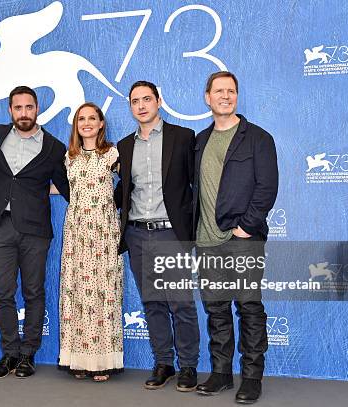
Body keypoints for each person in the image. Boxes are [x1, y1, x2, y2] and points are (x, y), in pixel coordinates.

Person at [193, 71, 278, 404]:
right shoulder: (199, 141)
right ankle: (221, 373)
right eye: (218, 91)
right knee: (216, 309)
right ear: (207, 97)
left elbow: (267, 187)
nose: (224, 96)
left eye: (230, 91)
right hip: (205, 240)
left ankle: (252, 377)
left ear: (237, 97)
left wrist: (246, 226)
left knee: (248, 307)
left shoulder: (258, 138)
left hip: (243, 238)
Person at [114, 81, 199, 391]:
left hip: (171, 234)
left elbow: (196, 186)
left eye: (146, 99)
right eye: (135, 101)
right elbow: (123, 190)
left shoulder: (183, 138)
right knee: (152, 303)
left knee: (181, 303)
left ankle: (188, 365)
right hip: (137, 234)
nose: (141, 105)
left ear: (159, 101)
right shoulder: (123, 146)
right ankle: (164, 362)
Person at [0, 86, 70, 379]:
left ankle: (28, 354)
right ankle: (9, 352)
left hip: (35, 231)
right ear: (10, 110)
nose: (23, 113)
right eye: (18, 108)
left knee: (33, 292)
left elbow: (70, 185)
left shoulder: (54, 147)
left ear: (37, 109)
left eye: (28, 107)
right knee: (2, 292)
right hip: (1, 227)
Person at [57, 102, 124, 382]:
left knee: (104, 293)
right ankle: (78, 360)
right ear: (76, 125)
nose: (86, 123)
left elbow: (131, 183)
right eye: (81, 119)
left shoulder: (112, 154)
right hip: (76, 233)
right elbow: (61, 187)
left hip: (104, 233)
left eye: (92, 118)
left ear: (100, 124)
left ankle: (104, 361)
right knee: (76, 295)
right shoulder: (68, 157)